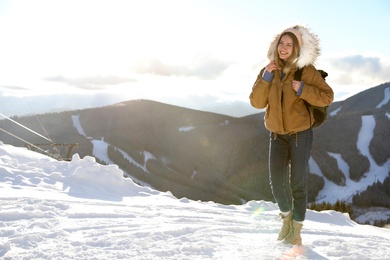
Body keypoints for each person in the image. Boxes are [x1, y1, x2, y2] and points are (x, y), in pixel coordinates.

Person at [249, 25, 334, 245]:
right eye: (281, 43)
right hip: (276, 136)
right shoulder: (269, 70)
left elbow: (327, 96)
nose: (284, 48)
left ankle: (296, 230)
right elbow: (256, 102)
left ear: (297, 49)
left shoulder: (305, 71)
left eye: (289, 44)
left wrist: (303, 89)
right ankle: (286, 220)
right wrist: (266, 77)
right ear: (275, 46)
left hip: (300, 136)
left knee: (297, 183)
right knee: (277, 182)